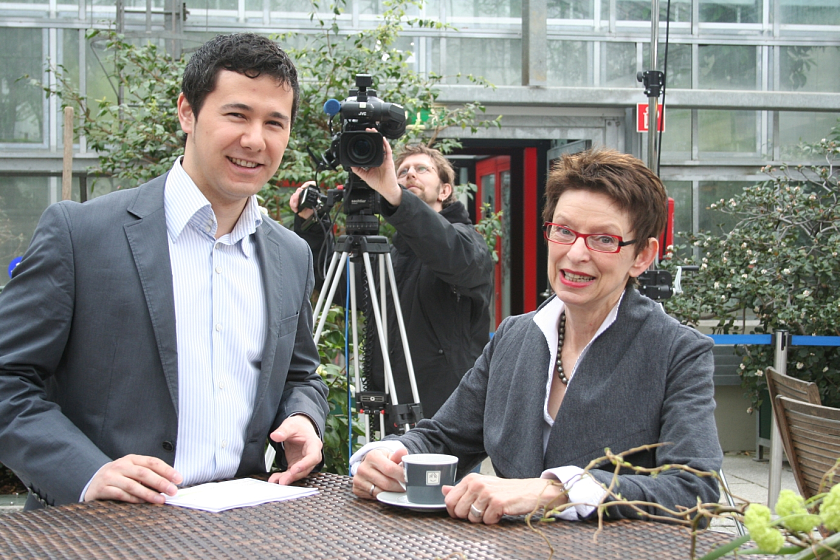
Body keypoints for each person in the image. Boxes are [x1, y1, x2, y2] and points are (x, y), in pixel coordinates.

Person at [0, 33, 329, 510]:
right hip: (99, 531)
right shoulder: (81, 235)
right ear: (187, 112)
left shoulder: (291, 255)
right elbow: (8, 377)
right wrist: (86, 472)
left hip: (242, 527)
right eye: (236, 115)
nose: (255, 140)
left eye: (274, 123)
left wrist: (303, 417)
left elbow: (301, 374)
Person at [349, 148, 723, 525]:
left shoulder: (676, 351)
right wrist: (388, 455)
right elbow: (445, 436)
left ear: (642, 255)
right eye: (563, 231)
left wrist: (557, 491)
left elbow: (695, 492)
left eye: (604, 240)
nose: (576, 254)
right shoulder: (515, 336)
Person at [290, 143, 493, 422]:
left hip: (447, 413)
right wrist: (311, 224)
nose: (411, 175)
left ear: (445, 191)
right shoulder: (392, 255)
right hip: (391, 410)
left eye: (422, 169)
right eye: (402, 171)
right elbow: (342, 289)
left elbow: (448, 252)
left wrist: (396, 197)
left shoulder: (467, 242)